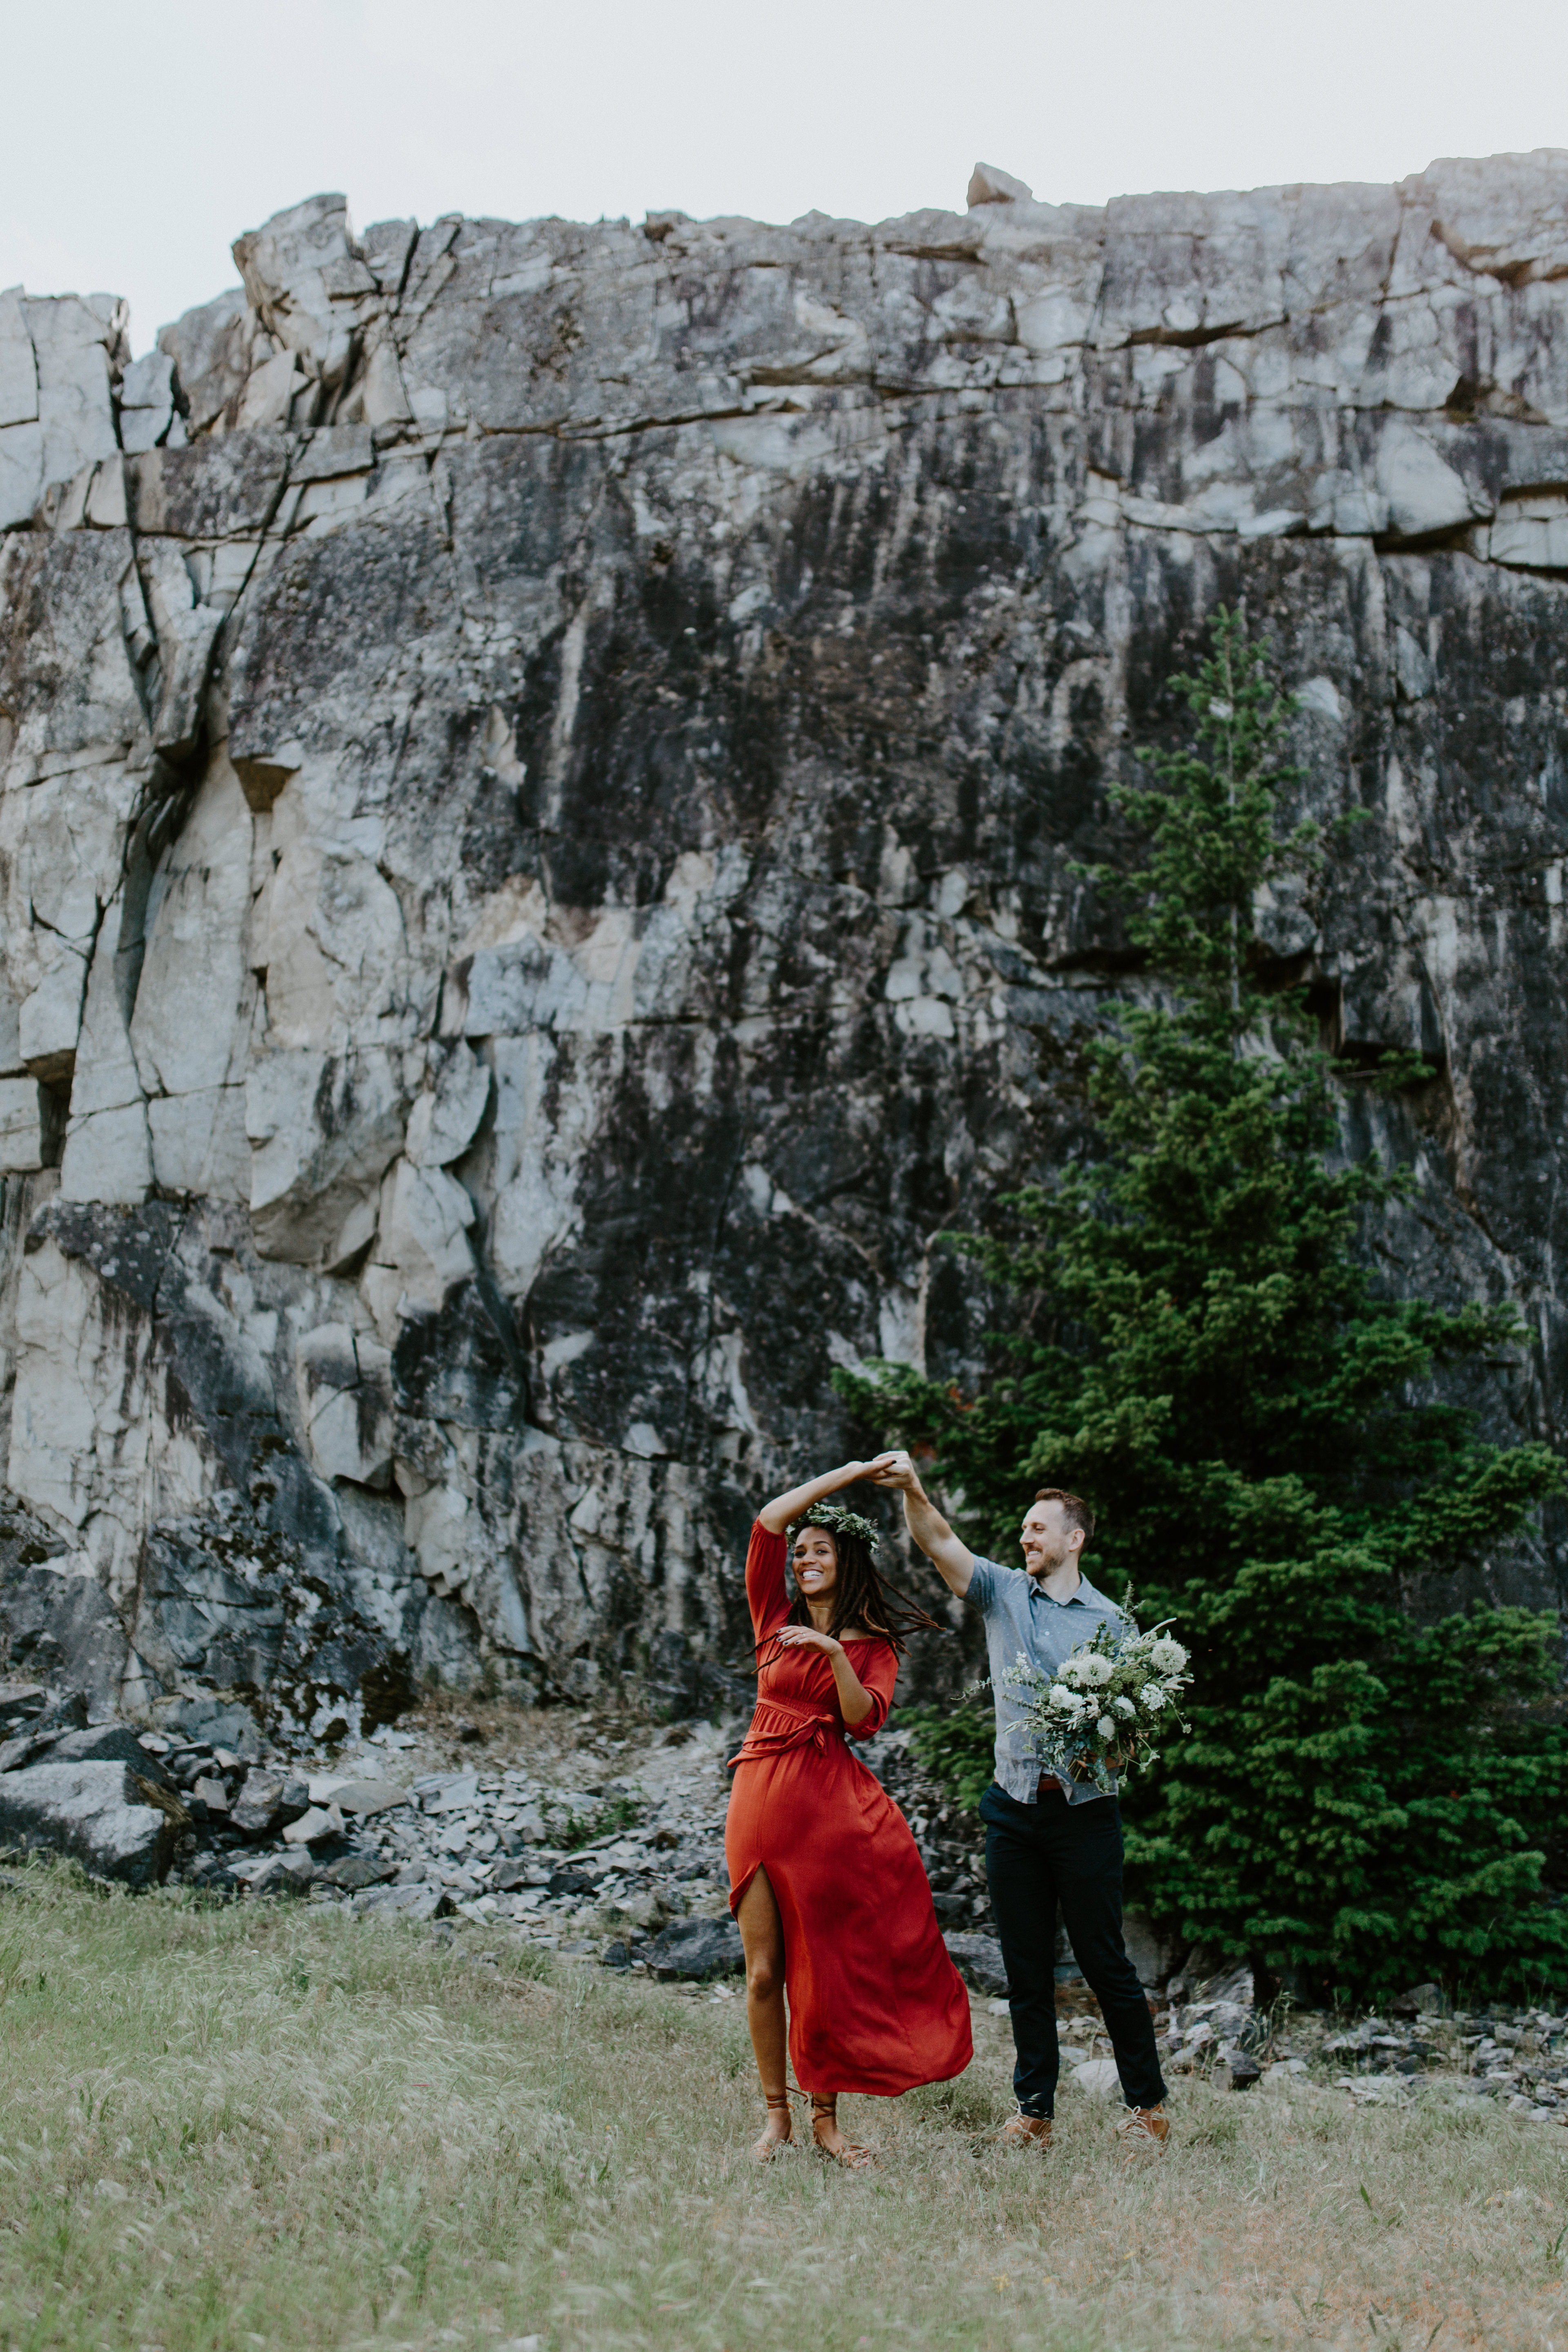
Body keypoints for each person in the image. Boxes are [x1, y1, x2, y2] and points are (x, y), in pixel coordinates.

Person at [869, 1454, 1169, 2155]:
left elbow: (1131, 1739)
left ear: (1075, 1540)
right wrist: (915, 1490)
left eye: (1039, 1530)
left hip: (1086, 1816)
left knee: (1104, 1963)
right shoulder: (1003, 1591)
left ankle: (1148, 2107)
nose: (1026, 1538)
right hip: (1011, 1810)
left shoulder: (1114, 1625)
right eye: (1024, 1530)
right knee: (1025, 1967)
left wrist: (1108, 1744)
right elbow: (940, 1543)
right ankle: (1034, 2112)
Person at [727, 1456, 974, 2165]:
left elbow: (864, 1720)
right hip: (757, 1796)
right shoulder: (771, 1617)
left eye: (818, 1551)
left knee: (820, 1972)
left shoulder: (874, 1645)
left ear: (848, 1561)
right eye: (800, 1554)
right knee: (764, 1972)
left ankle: (825, 2122)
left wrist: (835, 1652)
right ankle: (775, 2116)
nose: (802, 1560)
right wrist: (850, 1473)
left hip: (825, 1811)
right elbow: (768, 1521)